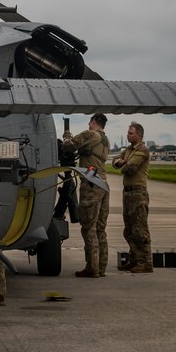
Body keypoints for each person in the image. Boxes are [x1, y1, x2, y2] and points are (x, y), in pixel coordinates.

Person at [64, 113, 111, 277]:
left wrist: (66, 136)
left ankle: (92, 268)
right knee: (100, 229)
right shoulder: (105, 140)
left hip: (91, 184)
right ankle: (101, 267)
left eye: (90, 122)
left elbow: (69, 146)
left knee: (88, 228)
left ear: (93, 122)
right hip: (103, 183)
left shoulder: (90, 134)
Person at [113, 121, 153, 273]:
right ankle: (135, 259)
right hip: (128, 192)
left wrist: (123, 163)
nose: (127, 135)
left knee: (140, 229)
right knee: (129, 230)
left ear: (139, 135)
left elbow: (130, 168)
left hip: (138, 193)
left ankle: (146, 262)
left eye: (130, 133)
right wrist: (121, 161)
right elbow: (115, 161)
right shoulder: (129, 150)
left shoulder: (142, 150)